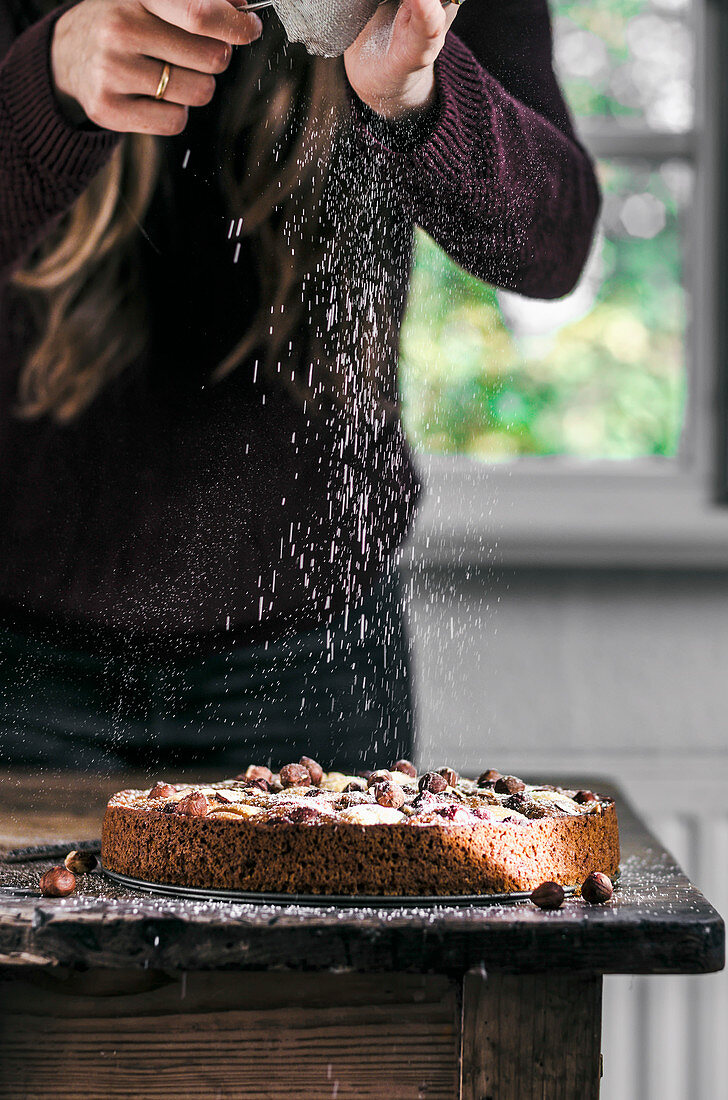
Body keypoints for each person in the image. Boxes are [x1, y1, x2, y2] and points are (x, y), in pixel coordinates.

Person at [0, 0, 599, 772]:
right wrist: (49, 81)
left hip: (313, 652)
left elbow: (554, 244)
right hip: (22, 653)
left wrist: (418, 95)